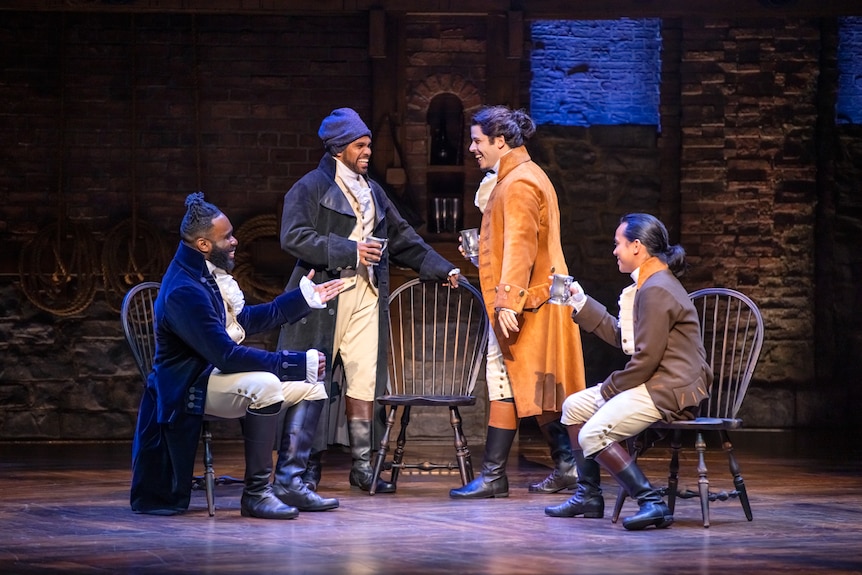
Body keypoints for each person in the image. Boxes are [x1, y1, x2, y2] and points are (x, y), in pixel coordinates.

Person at [277, 108, 461, 493]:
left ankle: (364, 466)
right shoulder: (309, 187)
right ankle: (303, 469)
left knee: (365, 380)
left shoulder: (373, 191)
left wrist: (442, 268)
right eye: (360, 146)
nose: (367, 152)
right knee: (312, 378)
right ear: (339, 149)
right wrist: (350, 251)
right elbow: (293, 237)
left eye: (368, 145)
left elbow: (403, 237)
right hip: (322, 296)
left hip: (366, 295)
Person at [130, 192, 344, 520]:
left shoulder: (207, 275)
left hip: (216, 375)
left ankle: (288, 482)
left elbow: (242, 321)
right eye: (226, 237)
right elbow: (227, 355)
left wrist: (301, 299)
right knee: (267, 386)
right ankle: (257, 493)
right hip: (190, 386)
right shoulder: (185, 290)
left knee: (312, 385)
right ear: (203, 244)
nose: (234, 241)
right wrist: (291, 363)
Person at [449, 105, 586, 500]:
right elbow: (513, 243)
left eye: (477, 140)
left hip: (529, 302)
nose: (472, 148)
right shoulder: (519, 177)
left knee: (511, 380)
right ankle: (566, 466)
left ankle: (497, 476)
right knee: (533, 386)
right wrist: (480, 255)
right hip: (531, 298)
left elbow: (523, 246)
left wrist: (508, 301)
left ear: (500, 141)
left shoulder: (519, 183)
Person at [544, 213, 712, 530]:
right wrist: (580, 302)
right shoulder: (648, 285)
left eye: (618, 244)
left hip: (668, 387)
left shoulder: (657, 289)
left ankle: (651, 502)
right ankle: (588, 495)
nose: (615, 251)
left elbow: (646, 359)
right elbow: (627, 337)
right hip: (652, 381)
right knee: (574, 407)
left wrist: (609, 390)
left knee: (592, 432)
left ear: (637, 246)